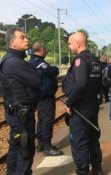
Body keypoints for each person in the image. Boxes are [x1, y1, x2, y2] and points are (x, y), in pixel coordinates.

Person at [0, 27, 41, 175]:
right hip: (21, 115)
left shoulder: (12, 60)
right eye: (22, 37)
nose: (27, 39)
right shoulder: (14, 62)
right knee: (25, 150)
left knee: (16, 148)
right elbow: (37, 80)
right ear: (12, 42)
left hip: (17, 113)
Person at [62, 32, 103, 175]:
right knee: (93, 137)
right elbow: (99, 83)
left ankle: (82, 171)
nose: (68, 46)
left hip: (80, 108)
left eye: (69, 43)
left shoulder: (80, 60)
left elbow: (80, 83)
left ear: (77, 43)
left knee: (79, 141)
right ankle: (97, 168)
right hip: (92, 104)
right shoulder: (95, 59)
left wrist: (69, 102)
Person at [28, 42, 63, 156]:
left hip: (39, 97)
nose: (46, 51)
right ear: (42, 50)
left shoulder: (31, 61)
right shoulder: (39, 63)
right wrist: (55, 68)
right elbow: (52, 71)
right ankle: (47, 147)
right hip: (45, 97)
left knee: (42, 120)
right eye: (45, 49)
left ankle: (41, 144)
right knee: (48, 120)